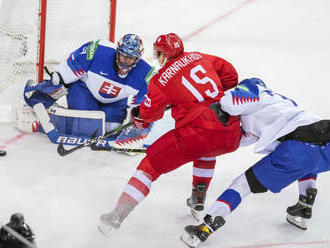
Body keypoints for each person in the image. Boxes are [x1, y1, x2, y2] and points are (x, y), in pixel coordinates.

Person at [98, 33, 242, 234]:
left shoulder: (161, 79)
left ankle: (117, 215)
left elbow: (148, 115)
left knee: (149, 166)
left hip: (197, 131)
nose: (157, 57)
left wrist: (139, 113)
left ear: (163, 54)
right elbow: (230, 75)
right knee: (206, 149)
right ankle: (198, 198)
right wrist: (209, 96)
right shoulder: (199, 56)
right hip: (231, 129)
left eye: (158, 53)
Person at [180, 78, 330, 248]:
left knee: (242, 185)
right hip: (324, 135)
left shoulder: (252, 89)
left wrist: (215, 104)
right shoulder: (276, 105)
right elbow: (241, 139)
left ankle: (205, 228)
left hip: (298, 148)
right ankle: (304, 205)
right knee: (310, 162)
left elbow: (228, 103)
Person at [21, 34, 155, 149]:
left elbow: (147, 102)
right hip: (85, 89)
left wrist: (138, 125)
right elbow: (74, 64)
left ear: (137, 59)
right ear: (117, 52)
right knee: (84, 126)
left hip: (115, 100)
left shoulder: (146, 73)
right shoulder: (99, 49)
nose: (125, 62)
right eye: (123, 56)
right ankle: (41, 121)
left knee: (111, 130)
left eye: (130, 58)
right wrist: (59, 78)